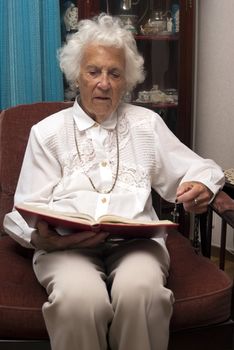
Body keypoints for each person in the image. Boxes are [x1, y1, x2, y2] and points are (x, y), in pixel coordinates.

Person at [4, 13, 224, 350]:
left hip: (137, 246)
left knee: (143, 293)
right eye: (93, 71)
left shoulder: (146, 125)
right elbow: (23, 209)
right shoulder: (47, 132)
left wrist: (202, 186)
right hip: (67, 247)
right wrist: (41, 239)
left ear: (128, 80)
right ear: (77, 75)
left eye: (114, 73)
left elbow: (199, 168)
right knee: (78, 301)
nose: (103, 83)